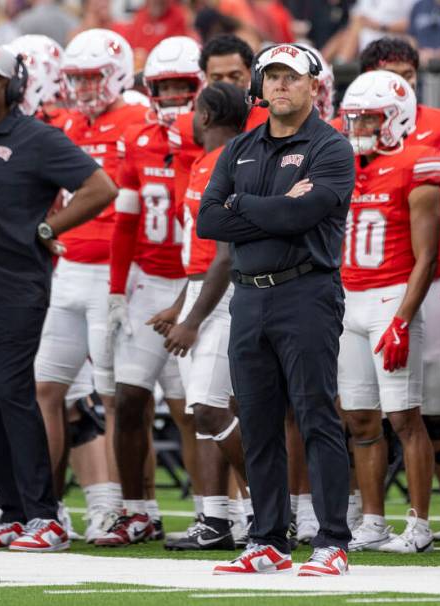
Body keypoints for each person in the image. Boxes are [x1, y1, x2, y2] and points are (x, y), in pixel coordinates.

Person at [0, 44, 115, 553]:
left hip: (18, 289)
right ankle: (11, 513)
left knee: (14, 395)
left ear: (14, 87)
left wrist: (48, 226)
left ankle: (45, 516)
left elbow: (101, 187)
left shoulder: (38, 138)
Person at [198, 43, 355, 577]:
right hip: (247, 295)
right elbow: (209, 221)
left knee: (316, 416)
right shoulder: (240, 146)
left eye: (292, 76)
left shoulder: (331, 147)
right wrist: (272, 207)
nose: (281, 85)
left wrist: (243, 206)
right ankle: (267, 538)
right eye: (273, 77)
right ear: (260, 87)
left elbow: (306, 212)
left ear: (314, 85)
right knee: (257, 422)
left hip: (305, 292)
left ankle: (333, 539)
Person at [357, 37, 440, 544]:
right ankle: (372, 515)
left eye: (407, 70)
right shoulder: (354, 133)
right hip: (374, 282)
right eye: (390, 72)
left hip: (438, 275)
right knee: (369, 409)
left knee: (438, 402)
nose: (401, 79)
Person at [34, 28, 145, 543]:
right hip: (68, 268)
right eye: (74, 77)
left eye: (91, 77)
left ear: (118, 74)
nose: (81, 87)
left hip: (114, 274)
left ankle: (124, 509)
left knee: (115, 395)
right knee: (45, 387)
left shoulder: (140, 118)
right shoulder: (66, 123)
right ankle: (47, 507)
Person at [336, 70, 440, 554]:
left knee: (404, 417)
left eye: (371, 119)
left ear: (397, 118)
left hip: (389, 297)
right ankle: (373, 521)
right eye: (354, 120)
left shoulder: (418, 163)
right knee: (359, 419)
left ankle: (420, 525)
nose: (359, 129)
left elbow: (429, 255)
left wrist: (403, 317)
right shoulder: (340, 163)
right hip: (347, 299)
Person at [101, 36, 202, 548]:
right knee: (129, 399)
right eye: (164, 88)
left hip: (195, 282)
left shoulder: (209, 140)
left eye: (183, 86)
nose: (174, 95)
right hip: (147, 282)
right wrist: (117, 291)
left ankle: (215, 511)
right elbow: (124, 222)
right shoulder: (138, 139)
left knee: (195, 408)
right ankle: (136, 510)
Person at [156, 82, 249, 551]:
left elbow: (227, 256)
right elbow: (201, 252)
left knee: (213, 407)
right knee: (201, 414)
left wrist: (192, 319)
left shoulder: (231, 160)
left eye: (195, 111)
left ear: (208, 116)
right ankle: (215, 519)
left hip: (223, 293)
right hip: (199, 287)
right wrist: (180, 304)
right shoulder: (201, 162)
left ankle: (262, 508)